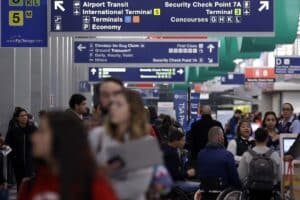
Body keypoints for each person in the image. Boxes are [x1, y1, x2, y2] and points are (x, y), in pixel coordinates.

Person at [18, 111, 117, 200]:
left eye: (42, 132)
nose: (34, 137)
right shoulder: (30, 186)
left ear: (62, 138)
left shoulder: (93, 187)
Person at [89, 89, 159, 200]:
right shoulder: (97, 136)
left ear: (133, 110)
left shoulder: (146, 143)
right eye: (112, 104)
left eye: (119, 105)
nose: (113, 108)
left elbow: (137, 186)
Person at [238, 128, 281, 200]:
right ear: (267, 139)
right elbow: (279, 177)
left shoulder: (247, 154)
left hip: (252, 194)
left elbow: (241, 176)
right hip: (270, 194)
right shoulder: (275, 154)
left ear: (254, 139)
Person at [5, 108, 37, 189]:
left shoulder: (33, 129)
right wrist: (12, 157)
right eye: (22, 116)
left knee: (31, 186)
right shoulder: (13, 131)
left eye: (26, 115)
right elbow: (5, 148)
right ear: (17, 118)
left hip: (31, 164)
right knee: (21, 185)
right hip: (18, 164)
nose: (25, 117)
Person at [161, 127, 198, 193]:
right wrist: (187, 174)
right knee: (200, 187)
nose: (184, 142)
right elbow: (175, 176)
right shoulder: (172, 154)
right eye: (183, 140)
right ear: (176, 140)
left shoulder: (164, 147)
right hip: (173, 184)